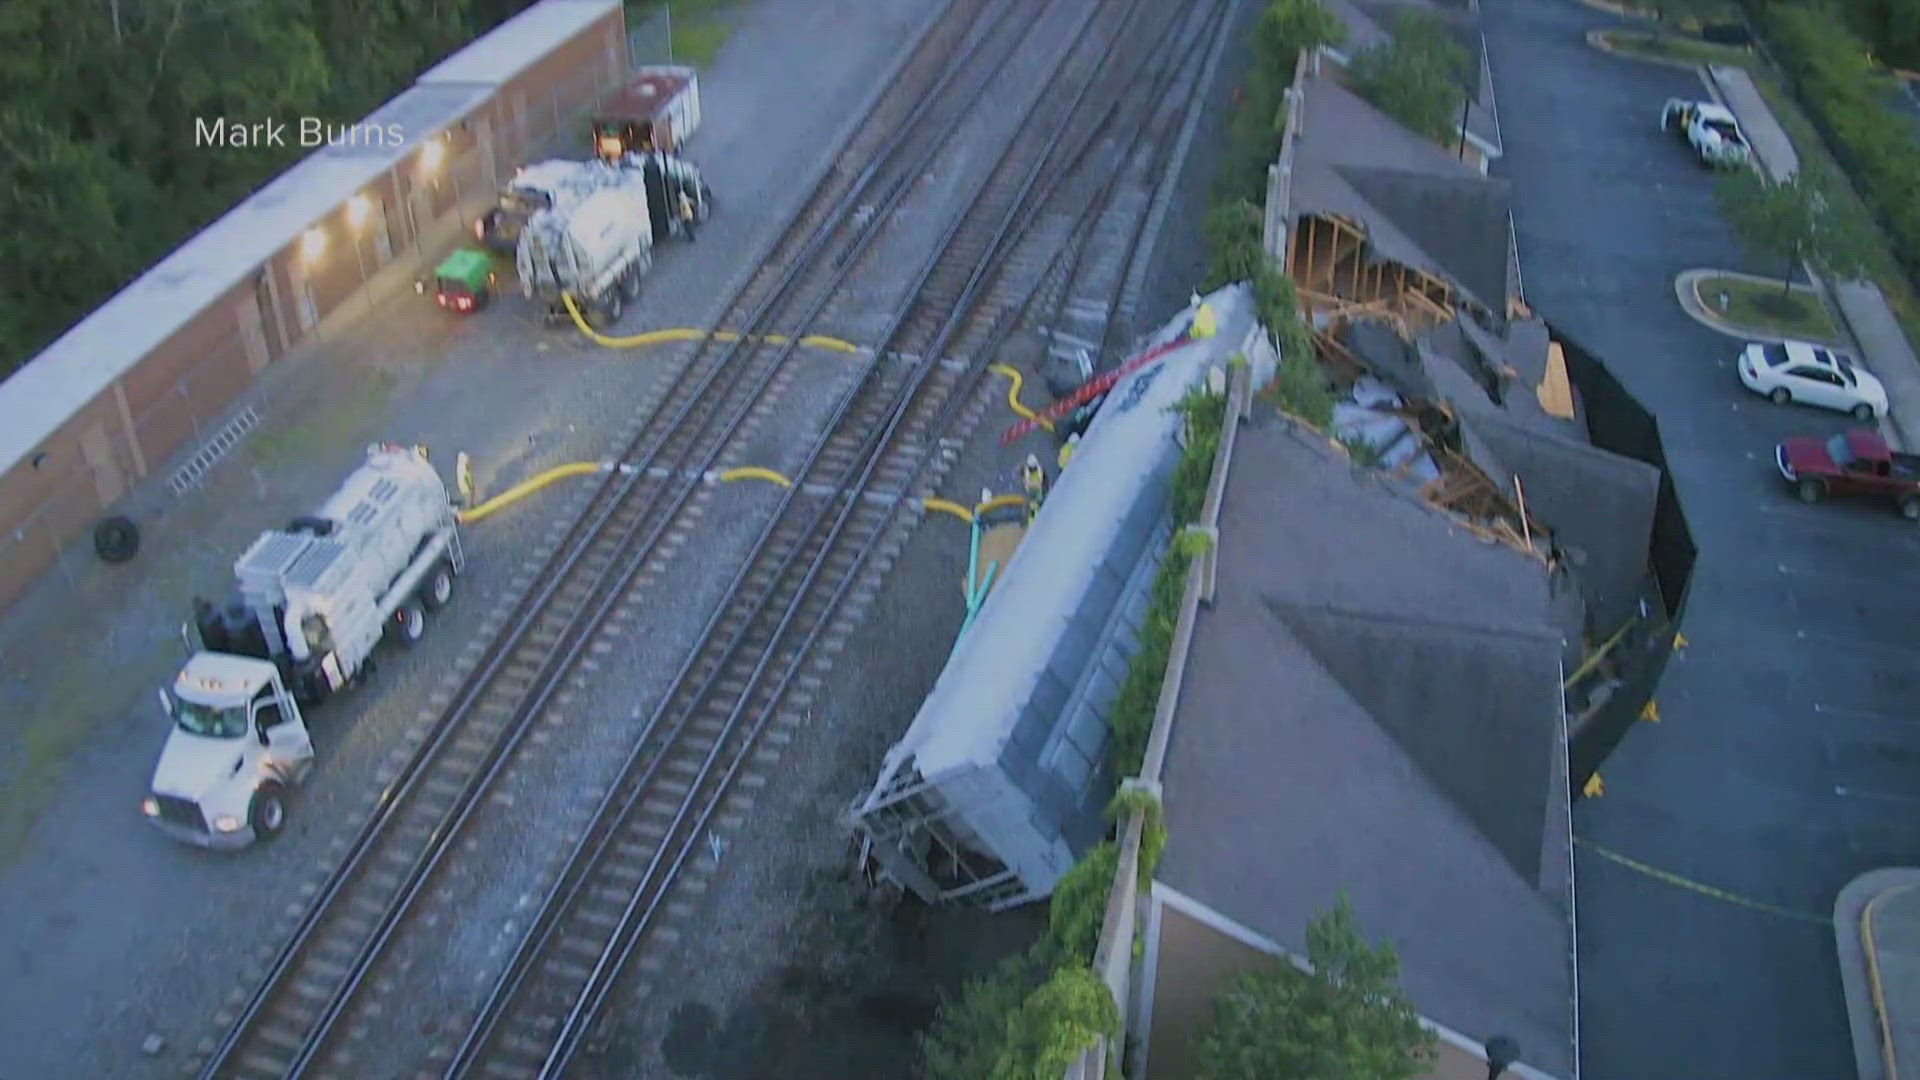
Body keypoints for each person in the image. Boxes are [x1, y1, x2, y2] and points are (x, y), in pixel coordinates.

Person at [1021, 454, 1048, 523]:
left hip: (1038, 490)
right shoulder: (1025, 471)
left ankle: (1039, 518)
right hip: (1030, 491)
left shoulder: (1040, 470)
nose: (1032, 469)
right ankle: (1027, 520)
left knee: (1038, 504)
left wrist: (1044, 488)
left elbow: (1044, 481)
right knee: (1029, 506)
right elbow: (1024, 481)